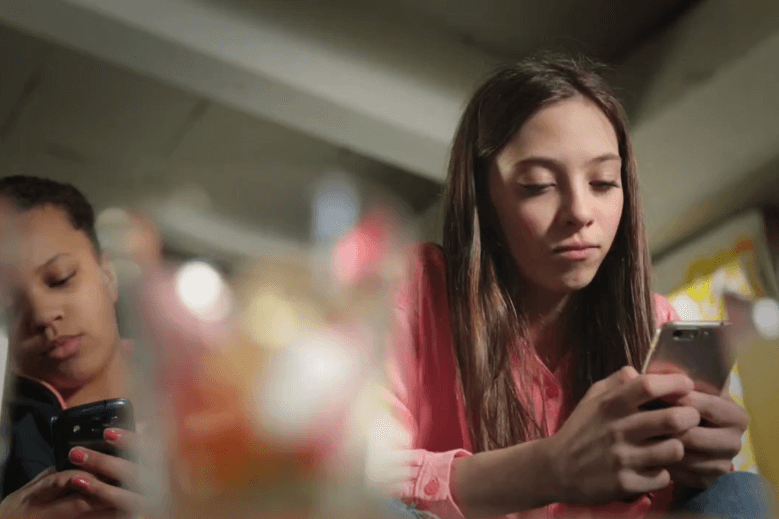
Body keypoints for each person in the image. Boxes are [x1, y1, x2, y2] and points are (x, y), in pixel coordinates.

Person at [388, 55, 770, 519]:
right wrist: (550, 468)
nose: (580, 212)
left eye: (603, 182)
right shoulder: (412, 290)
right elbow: (353, 479)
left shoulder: (657, 324)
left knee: (739, 491)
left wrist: (699, 468)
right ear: (482, 201)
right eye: (537, 185)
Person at [0, 176, 143, 518]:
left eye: (60, 278)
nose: (42, 314)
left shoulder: (211, 391)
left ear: (108, 274)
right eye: (9, 306)